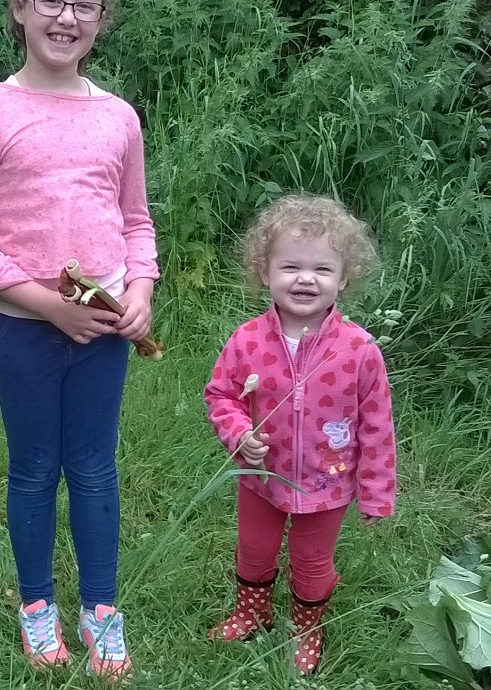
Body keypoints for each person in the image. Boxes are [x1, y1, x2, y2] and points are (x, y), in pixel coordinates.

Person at [0, 0, 158, 680]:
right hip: (24, 331)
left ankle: (100, 607)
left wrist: (138, 290)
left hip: (101, 327)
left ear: (103, 18)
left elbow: (136, 221)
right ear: (20, 10)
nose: (66, 18)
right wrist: (46, 305)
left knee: (95, 468)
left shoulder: (119, 118)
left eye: (84, 5)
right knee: (35, 468)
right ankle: (37, 603)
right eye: (51, 2)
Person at [204, 194, 397, 674]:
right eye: (290, 266)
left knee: (312, 563)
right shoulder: (248, 339)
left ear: (344, 279)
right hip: (261, 478)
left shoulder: (359, 350)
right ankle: (253, 613)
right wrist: (238, 434)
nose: (305, 279)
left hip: (326, 484)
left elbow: (377, 427)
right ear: (264, 273)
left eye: (322, 270)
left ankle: (306, 630)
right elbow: (220, 395)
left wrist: (376, 496)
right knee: (254, 550)